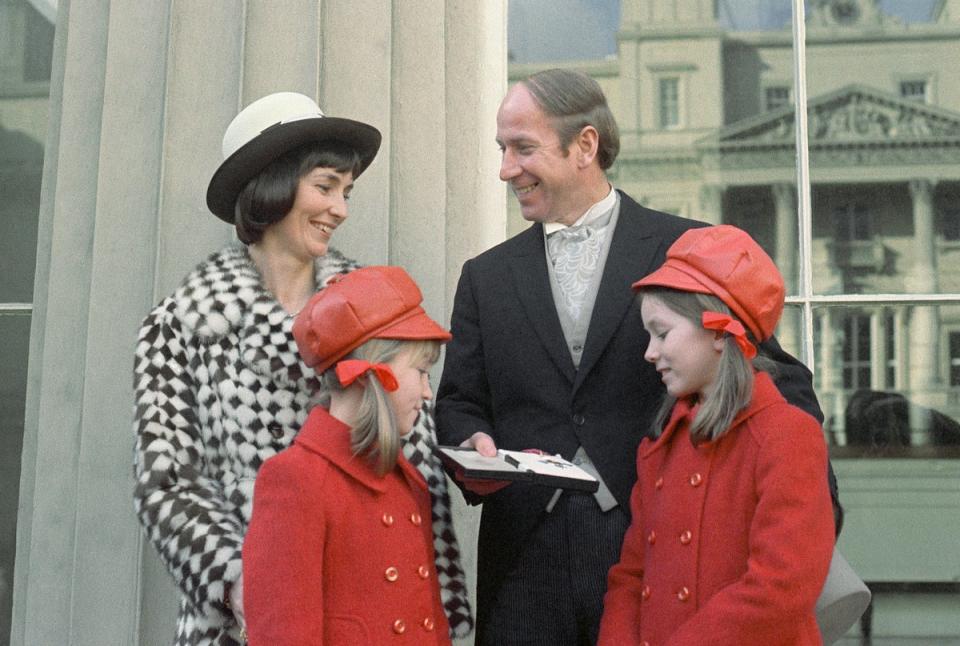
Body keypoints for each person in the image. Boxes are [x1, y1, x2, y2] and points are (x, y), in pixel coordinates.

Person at [435, 68, 835, 645]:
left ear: (586, 146)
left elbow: (780, 383)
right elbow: (459, 402)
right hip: (523, 555)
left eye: (523, 148)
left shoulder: (688, 249)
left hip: (651, 551)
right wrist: (472, 444)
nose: (506, 169)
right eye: (502, 149)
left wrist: (803, 511)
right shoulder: (485, 277)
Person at [133, 92, 471, 645]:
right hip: (241, 616)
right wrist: (241, 580)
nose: (341, 208)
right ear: (273, 187)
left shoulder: (376, 310)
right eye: (325, 187)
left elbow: (415, 462)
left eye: (346, 191)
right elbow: (166, 482)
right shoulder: (180, 326)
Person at [597, 224, 835, 645]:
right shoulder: (659, 447)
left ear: (722, 333)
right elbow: (630, 577)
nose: (649, 352)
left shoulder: (787, 435)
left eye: (663, 332)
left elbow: (781, 589)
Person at [243, 266, 454, 645]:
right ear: (373, 372)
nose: (427, 393)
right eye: (421, 372)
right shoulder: (295, 480)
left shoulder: (405, 481)